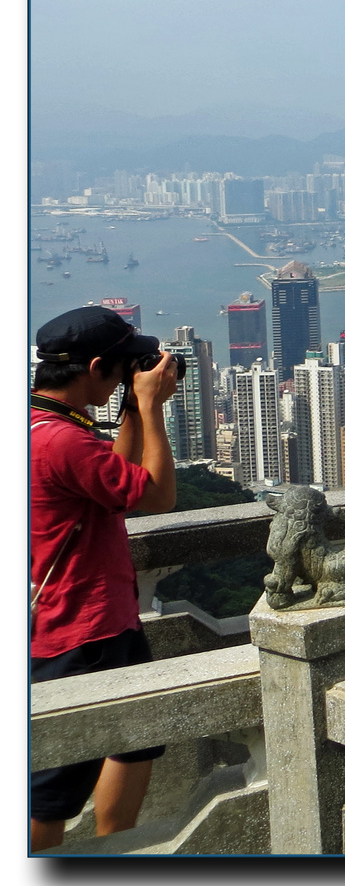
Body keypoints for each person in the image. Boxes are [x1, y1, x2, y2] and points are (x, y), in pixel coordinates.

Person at [30, 306, 179, 851]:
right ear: (95, 367)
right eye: (119, 369)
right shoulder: (62, 442)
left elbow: (113, 492)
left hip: (99, 619)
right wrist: (150, 407)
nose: (124, 376)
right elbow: (157, 497)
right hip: (81, 629)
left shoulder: (40, 425)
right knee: (52, 792)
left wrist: (131, 413)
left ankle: (114, 847)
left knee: (136, 740)